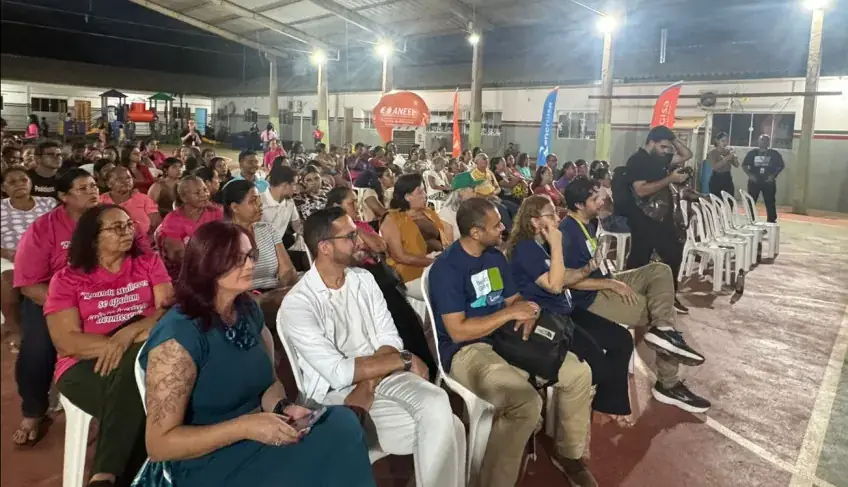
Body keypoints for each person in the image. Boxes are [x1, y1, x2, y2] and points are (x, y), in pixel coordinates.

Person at [139, 221, 375, 487]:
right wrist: (244, 427)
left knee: (342, 424)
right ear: (207, 263)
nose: (250, 264)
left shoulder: (246, 311)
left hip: (258, 433)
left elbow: (269, 383)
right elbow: (159, 445)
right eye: (237, 259)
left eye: (251, 255)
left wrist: (283, 407)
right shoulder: (177, 337)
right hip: (209, 459)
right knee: (318, 459)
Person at [279, 208, 465, 487]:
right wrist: (403, 359)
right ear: (325, 247)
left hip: (381, 378)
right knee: (453, 427)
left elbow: (390, 339)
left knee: (437, 400)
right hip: (335, 395)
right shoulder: (299, 303)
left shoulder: (363, 280)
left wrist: (369, 381)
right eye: (350, 236)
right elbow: (339, 373)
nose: (360, 241)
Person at [429, 197, 595, 487]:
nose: (503, 229)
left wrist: (528, 311)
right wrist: (508, 314)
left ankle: (569, 455)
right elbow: (458, 331)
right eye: (496, 226)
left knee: (579, 374)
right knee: (525, 404)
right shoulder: (448, 268)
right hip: (468, 350)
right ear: (476, 232)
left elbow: (514, 299)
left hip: (506, 337)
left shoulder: (494, 257)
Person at [11, 169, 144, 447]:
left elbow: (145, 260)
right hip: (53, 299)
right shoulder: (43, 229)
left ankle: (118, 404)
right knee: (37, 348)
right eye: (83, 188)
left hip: (115, 296)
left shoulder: (116, 219)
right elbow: (29, 285)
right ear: (63, 196)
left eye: (94, 186)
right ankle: (33, 411)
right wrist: (76, 307)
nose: (93, 192)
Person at [46, 204, 173, 486]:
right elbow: (67, 342)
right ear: (93, 238)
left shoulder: (148, 263)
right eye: (116, 227)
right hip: (83, 365)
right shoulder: (67, 280)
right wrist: (121, 343)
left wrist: (128, 334)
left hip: (143, 353)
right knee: (154, 403)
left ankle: (105, 475)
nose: (127, 231)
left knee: (137, 375)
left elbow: (166, 314)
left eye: (129, 225)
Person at [560, 177, 710, 413]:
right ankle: (669, 384)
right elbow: (566, 281)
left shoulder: (589, 222)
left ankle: (663, 331)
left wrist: (611, 279)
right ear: (579, 204)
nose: (601, 202)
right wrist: (610, 284)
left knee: (660, 270)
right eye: (594, 199)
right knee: (662, 311)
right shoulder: (567, 233)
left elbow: (609, 213)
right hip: (589, 299)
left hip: (607, 279)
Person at [506, 196, 633, 424]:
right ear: (534, 221)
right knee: (597, 364)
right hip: (549, 317)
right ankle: (567, 419)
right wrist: (556, 244)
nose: (557, 218)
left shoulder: (542, 245)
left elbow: (564, 277)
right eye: (551, 214)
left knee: (621, 339)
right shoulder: (525, 248)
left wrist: (587, 268)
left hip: (567, 310)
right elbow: (554, 285)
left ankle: (609, 403)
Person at [625, 125, 692, 303]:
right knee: (639, 259)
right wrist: (670, 179)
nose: (665, 151)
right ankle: (630, 297)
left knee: (672, 255)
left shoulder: (660, 158)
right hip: (643, 219)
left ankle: (668, 297)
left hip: (662, 217)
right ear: (651, 142)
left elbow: (687, 154)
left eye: (668, 147)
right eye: (662, 146)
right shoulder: (638, 161)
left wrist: (672, 138)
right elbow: (641, 190)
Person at [1, 167, 57, 354]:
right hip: (10, 256)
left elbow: (61, 227)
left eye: (23, 180)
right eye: (12, 182)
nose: (19, 184)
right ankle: (14, 328)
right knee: (7, 280)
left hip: (47, 255)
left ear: (31, 182)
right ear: (4, 187)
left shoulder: (48, 203)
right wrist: (6, 252)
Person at [382, 174, 451, 300]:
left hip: (436, 264)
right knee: (452, 287)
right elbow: (399, 256)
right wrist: (435, 263)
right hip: (410, 274)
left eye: (424, 191)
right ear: (407, 197)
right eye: (420, 192)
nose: (425, 195)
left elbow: (443, 239)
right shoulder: (392, 220)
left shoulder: (428, 213)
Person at [223, 179, 297, 292]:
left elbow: (287, 270)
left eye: (259, 199)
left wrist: (281, 291)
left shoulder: (268, 229)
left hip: (274, 292)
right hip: (242, 296)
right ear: (235, 207)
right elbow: (227, 284)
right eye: (253, 201)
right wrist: (259, 299)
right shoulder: (224, 238)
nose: (260, 204)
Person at [155, 176, 223, 279]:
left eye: (205, 190)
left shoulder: (215, 212)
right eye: (197, 193)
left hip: (213, 268)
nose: (204, 195)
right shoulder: (172, 220)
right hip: (183, 275)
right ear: (184, 198)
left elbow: (223, 241)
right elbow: (177, 256)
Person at [101, 166, 161, 236]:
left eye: (128, 178)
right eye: (119, 179)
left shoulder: (144, 199)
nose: (126, 181)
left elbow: (156, 225)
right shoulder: (100, 201)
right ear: (109, 184)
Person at [742, 134, 784, 223]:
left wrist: (773, 175)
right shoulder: (752, 153)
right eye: (762, 140)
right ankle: (750, 219)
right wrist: (750, 175)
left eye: (766, 140)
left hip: (768, 181)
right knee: (751, 200)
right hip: (754, 181)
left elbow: (780, 166)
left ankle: (771, 220)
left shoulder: (774, 154)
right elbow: (744, 165)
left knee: (770, 201)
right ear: (758, 141)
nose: (764, 142)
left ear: (769, 142)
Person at [470, 153, 517, 231]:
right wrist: (487, 197)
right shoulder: (472, 175)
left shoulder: (490, 173)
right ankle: (511, 232)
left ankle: (517, 229)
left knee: (514, 207)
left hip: (494, 197)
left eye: (487, 158)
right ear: (477, 162)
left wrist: (493, 193)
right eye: (484, 158)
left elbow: (498, 188)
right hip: (482, 201)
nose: (487, 160)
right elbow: (472, 193)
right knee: (503, 210)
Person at [438, 172, 481, 241]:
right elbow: (449, 244)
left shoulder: (471, 206)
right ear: (461, 192)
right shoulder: (446, 213)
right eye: (473, 189)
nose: (475, 192)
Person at [706, 131, 739, 198]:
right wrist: (727, 158)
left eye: (727, 141)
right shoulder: (712, 153)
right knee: (716, 200)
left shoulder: (728, 152)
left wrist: (734, 156)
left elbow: (736, 165)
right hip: (716, 178)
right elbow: (715, 167)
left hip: (727, 177)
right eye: (723, 141)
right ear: (717, 141)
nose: (725, 143)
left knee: (729, 199)